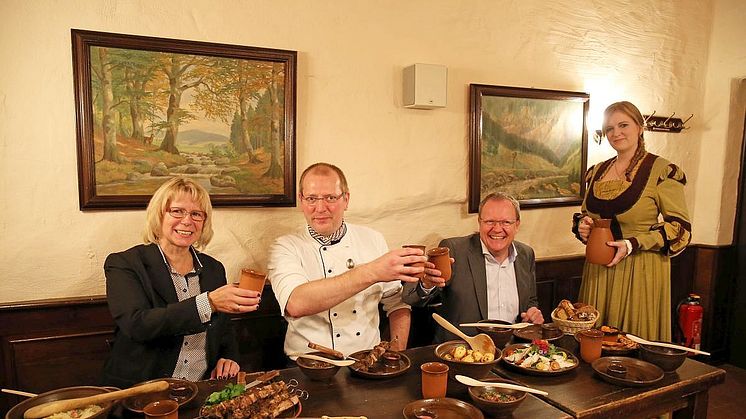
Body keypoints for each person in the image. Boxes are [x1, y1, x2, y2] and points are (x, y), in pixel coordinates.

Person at [268, 163, 442, 358]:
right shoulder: (286, 246)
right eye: (311, 198)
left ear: (346, 199)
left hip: (366, 362)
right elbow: (296, 304)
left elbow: (397, 304)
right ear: (301, 201)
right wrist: (372, 271)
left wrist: (397, 352)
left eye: (330, 198)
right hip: (307, 366)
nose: (320, 207)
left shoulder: (373, 239)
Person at [101, 177, 260, 388]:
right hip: (142, 392)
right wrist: (208, 303)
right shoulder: (124, 263)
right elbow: (137, 324)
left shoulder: (213, 268)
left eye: (196, 214)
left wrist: (229, 357)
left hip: (200, 388)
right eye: (177, 211)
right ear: (159, 215)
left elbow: (223, 328)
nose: (187, 221)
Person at [572, 101, 691, 342]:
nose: (616, 133)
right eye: (609, 128)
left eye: (623, 125)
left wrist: (633, 243)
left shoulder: (661, 170)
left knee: (630, 348)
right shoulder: (596, 172)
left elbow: (680, 230)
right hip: (598, 272)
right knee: (592, 343)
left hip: (640, 270)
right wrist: (583, 226)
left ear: (640, 127)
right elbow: (586, 214)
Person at [403, 192, 544, 344]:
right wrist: (427, 284)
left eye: (506, 222)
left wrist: (532, 314)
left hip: (512, 353)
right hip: (463, 353)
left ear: (517, 225)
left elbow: (531, 300)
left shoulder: (526, 254)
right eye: (490, 221)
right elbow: (410, 297)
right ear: (479, 222)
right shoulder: (455, 250)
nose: (497, 229)